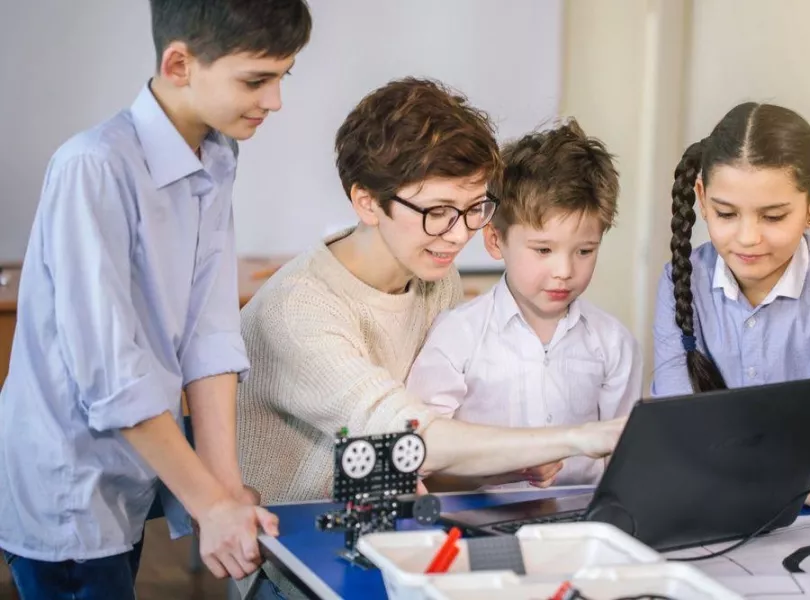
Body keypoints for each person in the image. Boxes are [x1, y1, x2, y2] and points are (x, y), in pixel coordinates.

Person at [236, 78, 626, 598]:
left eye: (473, 208)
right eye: (437, 212)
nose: (460, 234)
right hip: (297, 561)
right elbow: (408, 435)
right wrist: (581, 437)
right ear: (368, 202)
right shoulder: (298, 310)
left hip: (400, 532)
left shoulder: (433, 276)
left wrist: (514, 458)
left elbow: (424, 454)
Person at [0, 1, 312, 597]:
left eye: (282, 77)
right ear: (179, 63)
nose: (275, 102)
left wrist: (223, 487)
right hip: (69, 483)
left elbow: (210, 333)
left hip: (137, 462)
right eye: (256, 80)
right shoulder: (92, 166)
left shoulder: (218, 155)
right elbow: (112, 377)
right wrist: (209, 504)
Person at [652, 102, 810, 516]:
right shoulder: (679, 281)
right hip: (768, 494)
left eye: (772, 216)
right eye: (726, 213)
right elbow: (681, 444)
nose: (748, 238)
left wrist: (739, 476)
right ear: (701, 198)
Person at [407, 119, 642, 490]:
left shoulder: (613, 342)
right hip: (478, 519)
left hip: (583, 520)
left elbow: (628, 458)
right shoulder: (457, 336)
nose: (564, 271)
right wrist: (505, 470)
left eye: (584, 251)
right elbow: (421, 461)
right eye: (543, 250)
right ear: (495, 240)